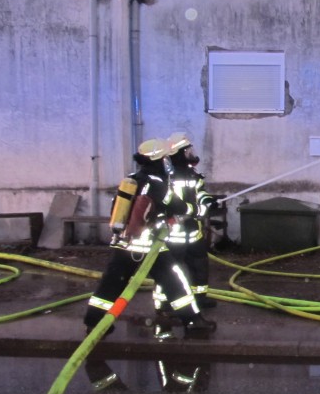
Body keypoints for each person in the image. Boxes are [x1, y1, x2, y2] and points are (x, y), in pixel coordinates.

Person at [83, 138, 216, 335]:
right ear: (160, 160)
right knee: (174, 281)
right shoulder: (158, 183)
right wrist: (197, 210)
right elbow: (178, 206)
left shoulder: (131, 180)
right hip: (149, 247)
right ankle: (193, 321)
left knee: (111, 284)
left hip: (124, 244)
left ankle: (93, 322)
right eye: (165, 158)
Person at [161, 132, 218, 311]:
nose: (190, 153)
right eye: (187, 151)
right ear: (178, 153)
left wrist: (207, 201)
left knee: (199, 264)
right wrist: (189, 211)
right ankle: (166, 302)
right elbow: (167, 202)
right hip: (173, 233)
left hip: (193, 231)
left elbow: (200, 192)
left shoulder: (192, 174)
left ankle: (199, 298)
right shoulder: (166, 176)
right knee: (171, 269)